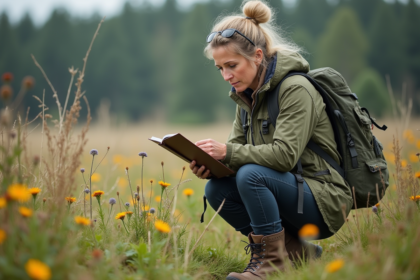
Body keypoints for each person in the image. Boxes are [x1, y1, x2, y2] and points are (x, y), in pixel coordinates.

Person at [189, 1, 353, 279]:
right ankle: (299, 253)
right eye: (220, 68)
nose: (226, 76)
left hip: (325, 199)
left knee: (252, 175)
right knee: (217, 190)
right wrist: (210, 165)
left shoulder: (296, 89)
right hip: (288, 191)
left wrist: (226, 152)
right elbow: (236, 157)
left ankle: (272, 264)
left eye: (232, 65)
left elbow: (283, 156)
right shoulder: (245, 98)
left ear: (257, 55)